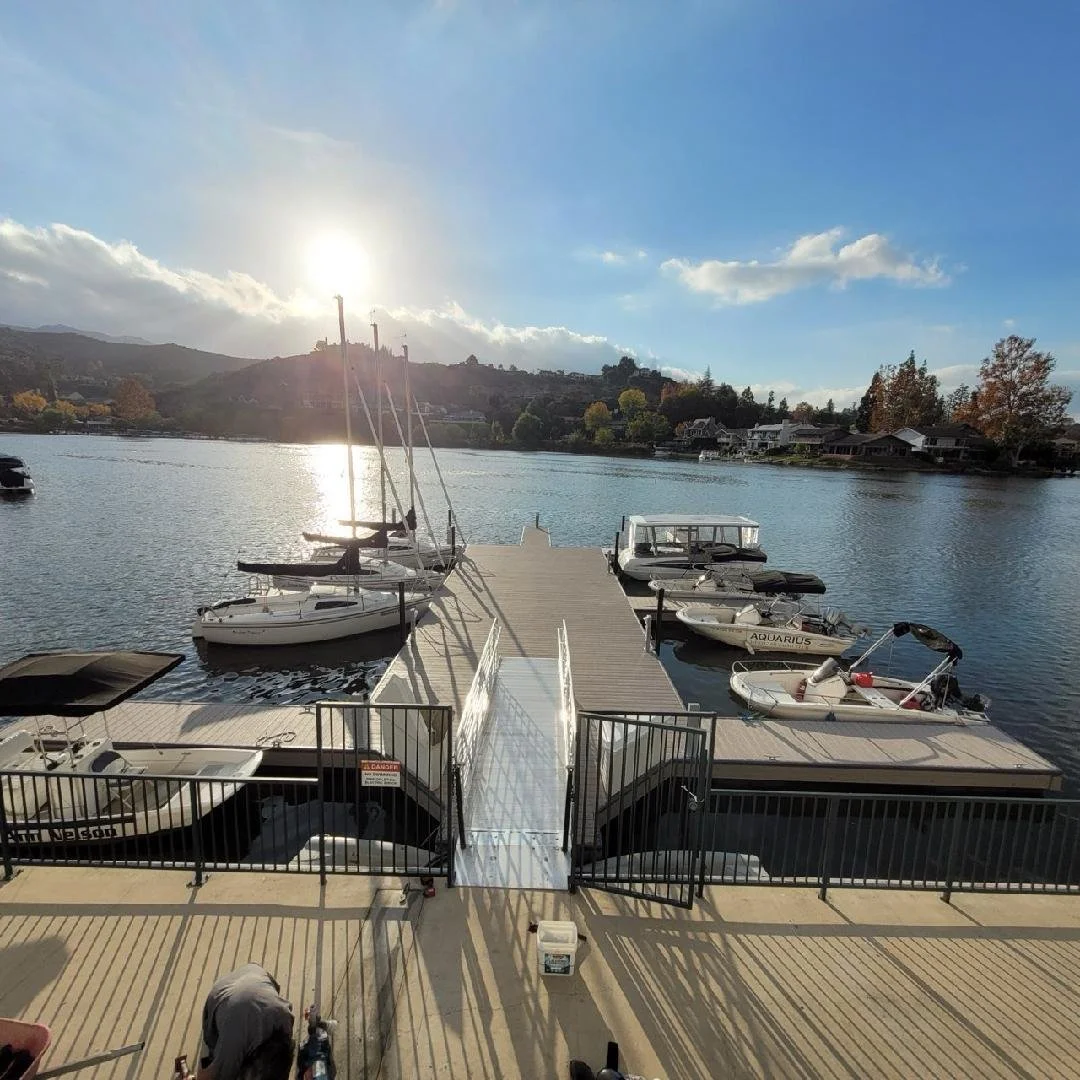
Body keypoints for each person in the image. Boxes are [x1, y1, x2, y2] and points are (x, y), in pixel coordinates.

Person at [196, 964, 295, 1080]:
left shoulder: (285, 1019)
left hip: (254, 971)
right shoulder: (233, 1046)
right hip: (220, 995)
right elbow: (206, 1077)